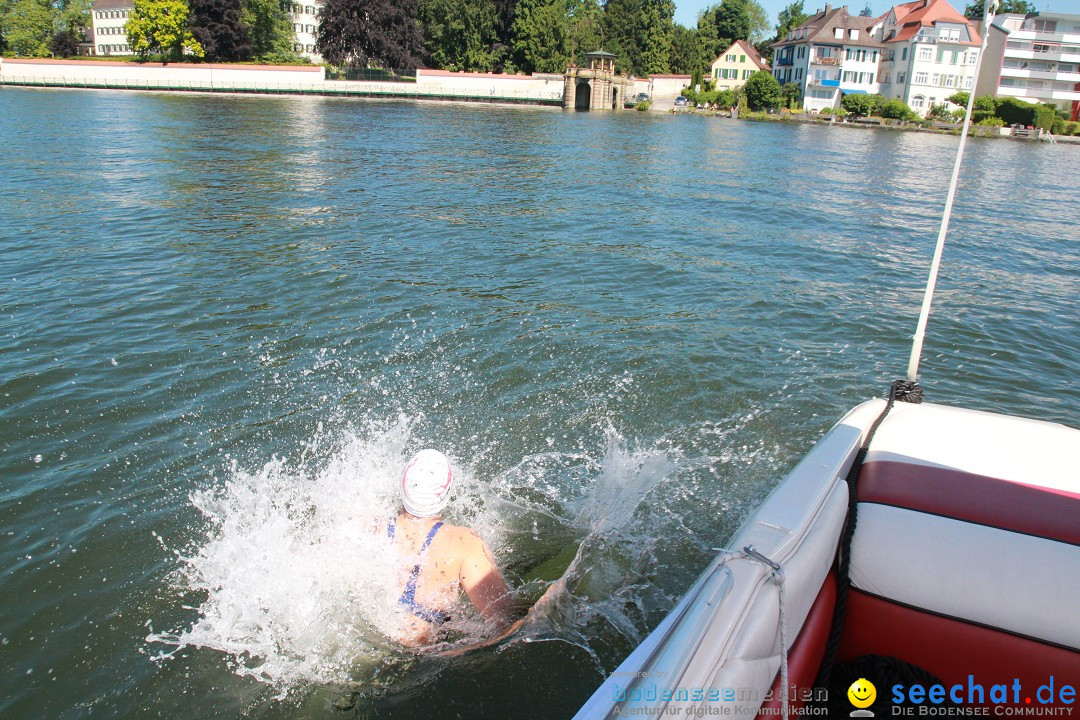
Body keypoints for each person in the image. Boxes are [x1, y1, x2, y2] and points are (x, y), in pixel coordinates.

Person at [386, 449, 514, 645]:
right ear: (447, 494)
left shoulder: (368, 528)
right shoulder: (465, 543)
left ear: (402, 487)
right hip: (425, 657)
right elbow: (505, 623)